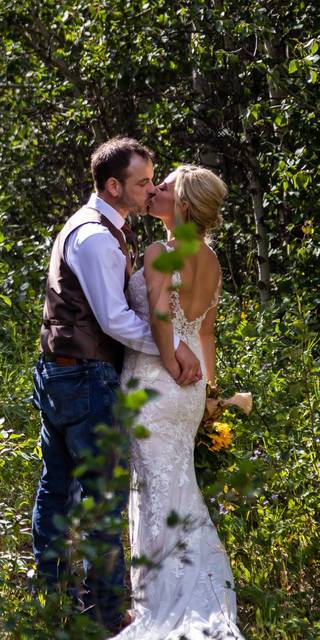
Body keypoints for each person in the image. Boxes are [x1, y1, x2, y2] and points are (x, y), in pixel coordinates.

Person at [31, 136, 203, 632]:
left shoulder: (102, 229)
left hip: (64, 371)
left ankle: (54, 597)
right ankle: (104, 612)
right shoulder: (96, 237)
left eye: (153, 181)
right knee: (99, 496)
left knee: (58, 487)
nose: (151, 190)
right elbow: (113, 319)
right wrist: (169, 351)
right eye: (142, 182)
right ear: (113, 185)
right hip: (81, 377)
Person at [110, 165, 244, 639]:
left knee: (151, 496)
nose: (156, 190)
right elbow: (204, 332)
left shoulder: (159, 251)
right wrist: (207, 390)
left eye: (163, 186)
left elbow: (163, 313)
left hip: (155, 383)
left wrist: (169, 361)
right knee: (177, 490)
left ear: (183, 204)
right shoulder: (211, 260)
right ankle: (191, 589)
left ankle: (159, 606)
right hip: (187, 393)